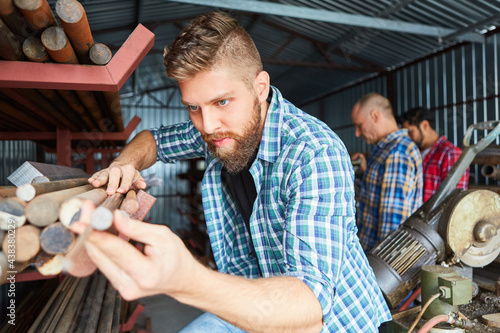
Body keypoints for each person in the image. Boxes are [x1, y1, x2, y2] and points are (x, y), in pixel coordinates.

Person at [74, 11, 391, 332]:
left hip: (332, 323)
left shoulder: (313, 153)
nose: (207, 126)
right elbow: (151, 140)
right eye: (193, 107)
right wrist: (124, 163)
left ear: (261, 87)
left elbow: (309, 306)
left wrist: (185, 280)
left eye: (222, 102)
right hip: (254, 303)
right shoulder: (219, 132)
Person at [350, 93, 422, 253]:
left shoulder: (397, 153)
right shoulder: (385, 150)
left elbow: (392, 222)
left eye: (359, 125)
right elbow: (372, 196)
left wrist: (380, 268)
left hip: (380, 261)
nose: (357, 133)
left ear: (375, 116)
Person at [398, 107, 469, 202]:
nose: (407, 137)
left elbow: (455, 199)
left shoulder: (450, 153)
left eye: (410, 132)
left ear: (425, 125)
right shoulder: (413, 153)